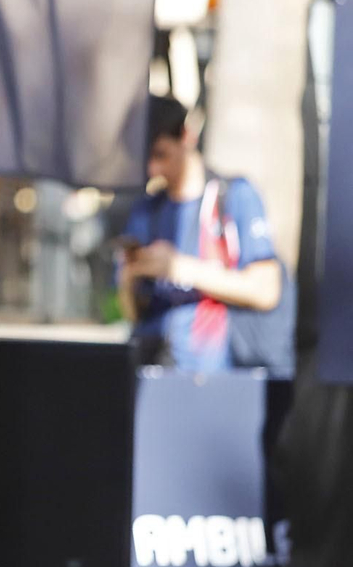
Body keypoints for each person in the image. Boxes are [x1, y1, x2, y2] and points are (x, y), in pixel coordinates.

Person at [118, 96, 294, 375]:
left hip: (227, 372)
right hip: (159, 367)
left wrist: (178, 268)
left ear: (186, 136)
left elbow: (266, 290)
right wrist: (130, 276)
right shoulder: (147, 211)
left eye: (161, 154)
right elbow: (132, 311)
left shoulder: (234, 196)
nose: (154, 169)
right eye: (146, 158)